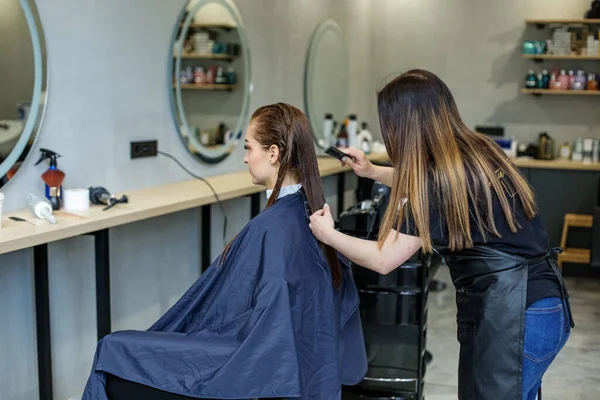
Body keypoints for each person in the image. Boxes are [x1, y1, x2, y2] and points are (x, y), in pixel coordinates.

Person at [309, 69, 574, 400]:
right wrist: (373, 171)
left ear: (404, 125)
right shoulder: (480, 150)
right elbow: (439, 186)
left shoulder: (434, 183)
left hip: (514, 319)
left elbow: (383, 259)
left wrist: (328, 234)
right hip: (545, 305)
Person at [82, 103, 367, 400]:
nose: (245, 158)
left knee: (111, 350)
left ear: (273, 154)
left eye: (248, 148)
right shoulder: (315, 217)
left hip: (250, 366)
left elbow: (251, 324)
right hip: (298, 371)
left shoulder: (272, 227)